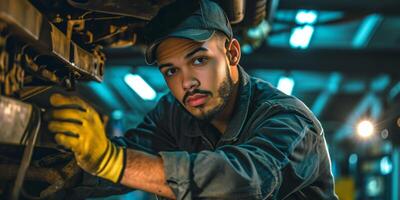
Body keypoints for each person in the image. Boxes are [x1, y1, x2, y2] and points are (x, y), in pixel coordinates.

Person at [48, 0, 338, 199]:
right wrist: (58, 165)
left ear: (232, 54)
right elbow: (128, 153)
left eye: (199, 59)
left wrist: (112, 160)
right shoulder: (174, 114)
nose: (186, 82)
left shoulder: (290, 123)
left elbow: (244, 182)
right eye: (171, 70)